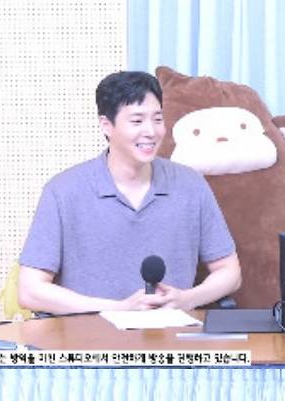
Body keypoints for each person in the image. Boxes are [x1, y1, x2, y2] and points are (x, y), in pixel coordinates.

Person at [18, 71, 241, 314]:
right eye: (137, 121)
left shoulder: (191, 185)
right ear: (106, 125)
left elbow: (230, 272)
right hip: (91, 333)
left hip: (172, 332)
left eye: (157, 119)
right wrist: (118, 308)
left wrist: (187, 299)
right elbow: (30, 291)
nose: (151, 131)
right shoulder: (63, 191)